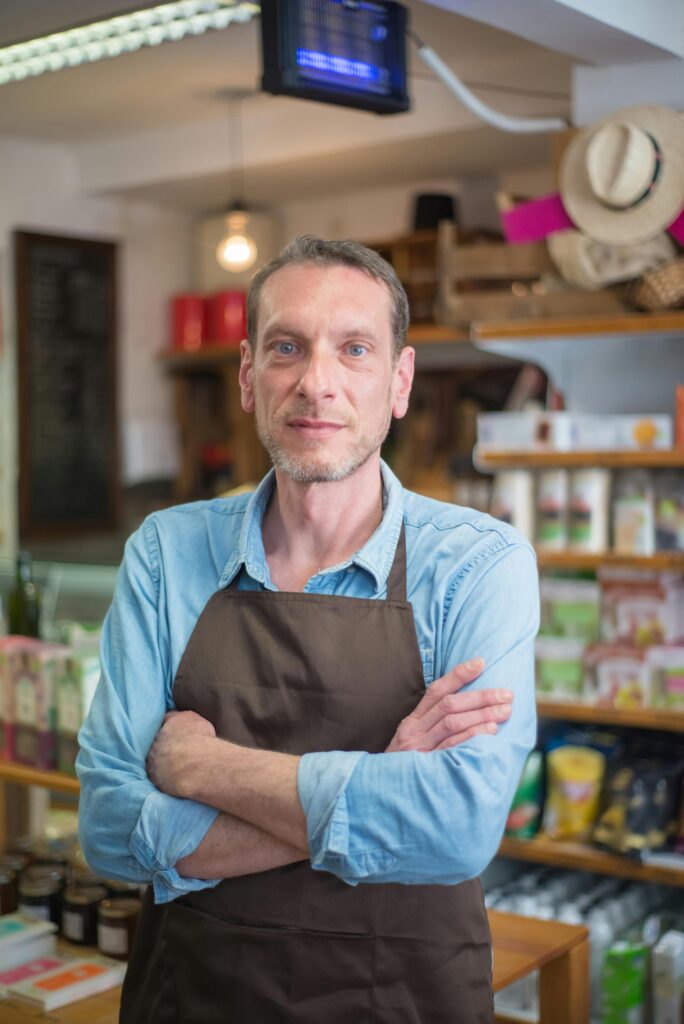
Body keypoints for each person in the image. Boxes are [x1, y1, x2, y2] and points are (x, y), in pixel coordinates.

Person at [77, 236, 539, 1023]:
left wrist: (207, 767)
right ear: (252, 379)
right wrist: (380, 774)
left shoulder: (479, 564)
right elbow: (111, 830)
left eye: (354, 348)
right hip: (194, 996)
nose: (317, 383)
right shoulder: (166, 553)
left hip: (401, 1001)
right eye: (287, 347)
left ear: (399, 382)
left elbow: (456, 828)